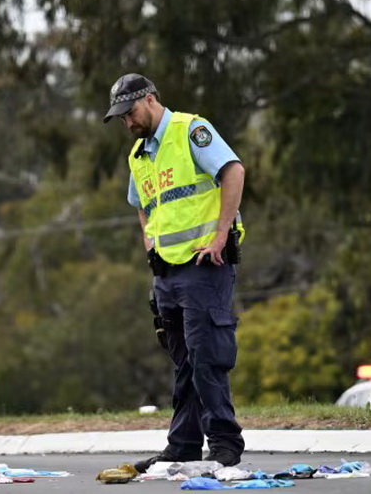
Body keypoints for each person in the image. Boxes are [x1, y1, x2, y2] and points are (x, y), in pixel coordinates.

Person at [103, 73, 246, 472]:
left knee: (207, 357)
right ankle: (183, 444)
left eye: (129, 113)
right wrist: (149, 246)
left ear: (149, 100)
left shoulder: (190, 131)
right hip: (166, 273)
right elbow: (142, 203)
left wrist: (220, 236)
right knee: (183, 362)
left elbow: (233, 171)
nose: (127, 123)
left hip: (205, 265)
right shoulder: (139, 154)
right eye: (121, 118)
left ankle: (224, 443)